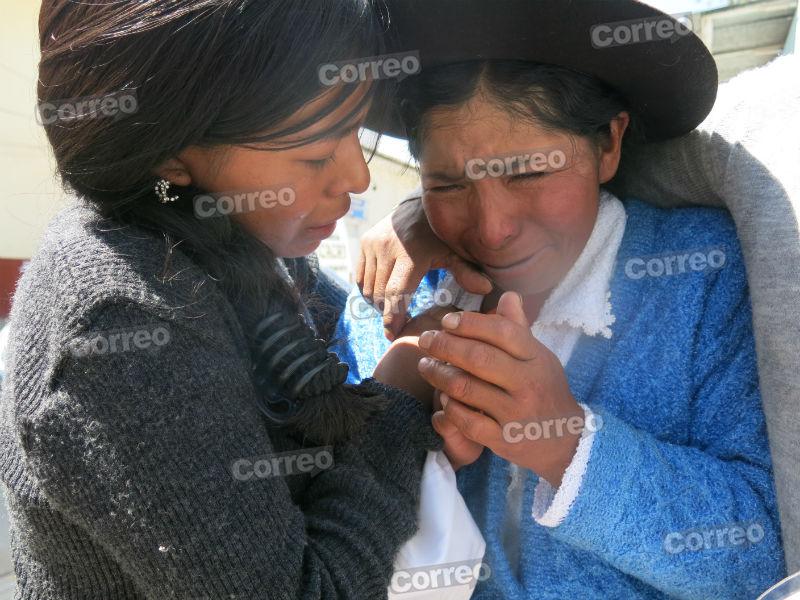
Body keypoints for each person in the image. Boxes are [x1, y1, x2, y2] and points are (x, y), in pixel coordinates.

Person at [0, 1, 484, 598]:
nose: (358, 179)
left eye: (355, 133)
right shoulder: (122, 324)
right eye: (314, 156)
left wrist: (419, 223)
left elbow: (343, 346)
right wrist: (402, 398)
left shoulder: (221, 241)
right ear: (171, 155)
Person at [333, 1, 787, 597]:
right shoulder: (387, 302)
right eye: (446, 184)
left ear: (608, 143)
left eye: (526, 173)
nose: (491, 228)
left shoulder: (703, 278)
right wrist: (403, 417)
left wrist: (565, 443)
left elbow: (762, 555)